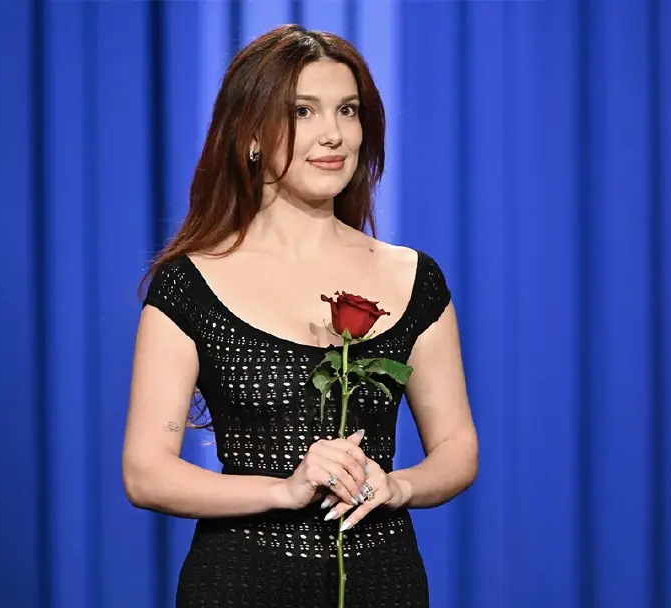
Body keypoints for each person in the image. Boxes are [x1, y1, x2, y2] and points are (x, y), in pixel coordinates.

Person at [122, 24, 478, 607]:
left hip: (382, 582)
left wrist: (398, 486)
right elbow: (146, 473)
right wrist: (284, 491)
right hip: (240, 584)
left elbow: (458, 447)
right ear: (250, 135)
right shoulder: (191, 283)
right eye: (303, 111)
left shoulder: (413, 277)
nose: (333, 133)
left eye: (348, 110)